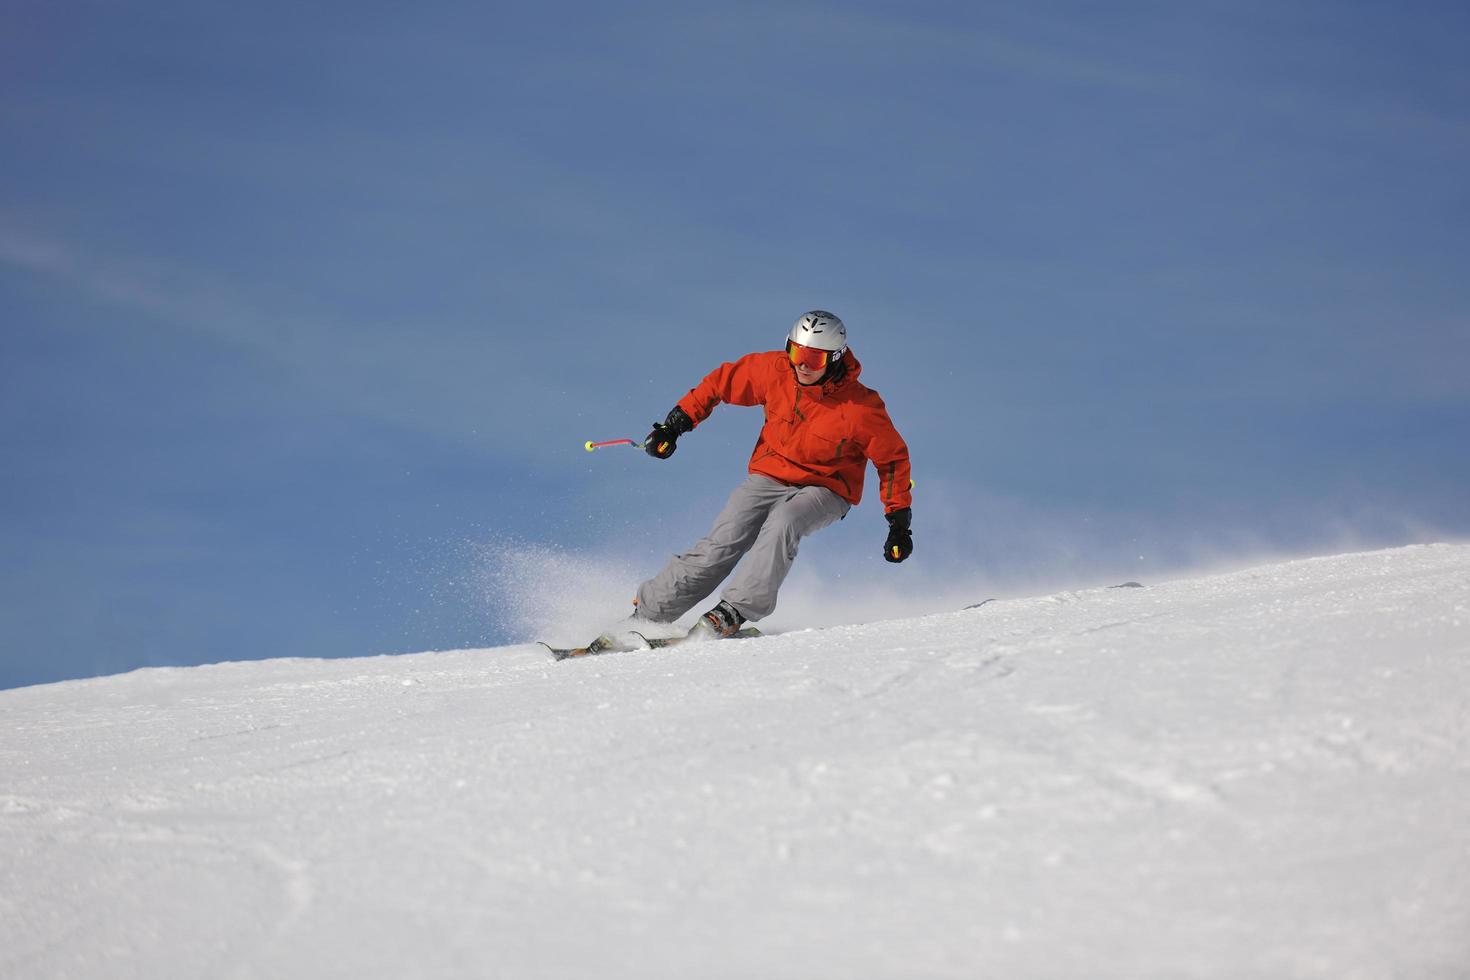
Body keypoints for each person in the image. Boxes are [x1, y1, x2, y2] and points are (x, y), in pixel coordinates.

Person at [633, 310, 913, 639]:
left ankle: (733, 610)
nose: (803, 365)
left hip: (826, 489)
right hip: (770, 475)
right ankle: (648, 613)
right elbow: (719, 384)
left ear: (835, 359)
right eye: (796, 353)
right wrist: (674, 426)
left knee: (785, 521)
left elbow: (892, 460)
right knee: (721, 543)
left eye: (814, 358)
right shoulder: (773, 371)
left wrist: (898, 523)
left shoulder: (861, 408)